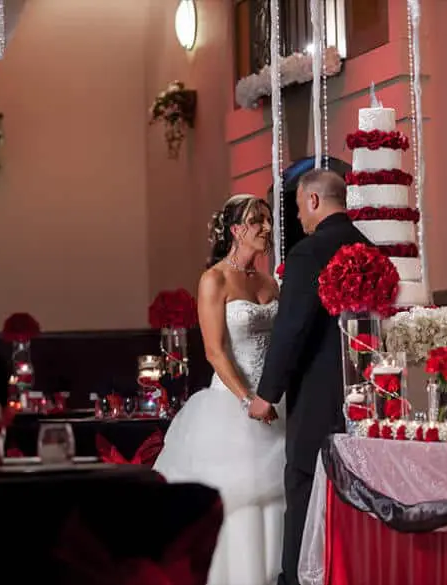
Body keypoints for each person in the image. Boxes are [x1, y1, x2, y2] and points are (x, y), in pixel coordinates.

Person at [152, 194, 286, 585]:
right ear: (235, 231)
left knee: (278, 496)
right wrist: (248, 400)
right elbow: (214, 350)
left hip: (274, 401)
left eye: (266, 219)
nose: (265, 227)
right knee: (240, 498)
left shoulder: (270, 281)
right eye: (256, 220)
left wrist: (271, 394)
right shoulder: (213, 279)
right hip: (232, 403)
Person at [248, 168, 371, 585]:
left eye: (299, 207)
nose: (299, 217)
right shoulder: (369, 248)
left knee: (302, 488)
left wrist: (267, 394)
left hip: (317, 397)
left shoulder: (308, 253)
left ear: (314, 201)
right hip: (366, 394)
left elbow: (291, 329)